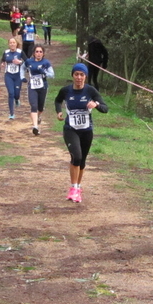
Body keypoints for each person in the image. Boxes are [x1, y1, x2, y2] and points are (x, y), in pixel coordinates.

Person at [55, 63, 108, 203]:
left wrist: (96, 105)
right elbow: (57, 100)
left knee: (82, 160)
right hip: (70, 130)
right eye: (76, 74)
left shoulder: (91, 91)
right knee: (76, 157)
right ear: (72, 75)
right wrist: (59, 111)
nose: (79, 77)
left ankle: (78, 188)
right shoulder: (66, 90)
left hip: (86, 131)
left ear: (86, 76)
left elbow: (105, 108)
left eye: (82, 75)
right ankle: (73, 188)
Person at [22, 45, 54, 136]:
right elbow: (22, 68)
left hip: (43, 86)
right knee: (33, 106)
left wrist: (44, 72)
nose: (38, 53)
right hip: (32, 86)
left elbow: (52, 75)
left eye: (40, 52)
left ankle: (38, 116)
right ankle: (35, 126)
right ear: (33, 53)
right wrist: (22, 77)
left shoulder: (46, 63)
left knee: (40, 107)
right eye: (37, 51)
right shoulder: (29, 61)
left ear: (43, 53)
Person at [1, 37, 27, 120]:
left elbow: (27, 62)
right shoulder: (6, 52)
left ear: (16, 44)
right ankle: (11, 113)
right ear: (9, 44)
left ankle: (17, 99)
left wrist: (20, 62)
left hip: (18, 75)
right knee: (11, 93)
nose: (12, 44)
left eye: (13, 42)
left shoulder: (20, 52)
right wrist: (2, 64)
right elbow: (2, 60)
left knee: (16, 94)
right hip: (8, 75)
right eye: (10, 43)